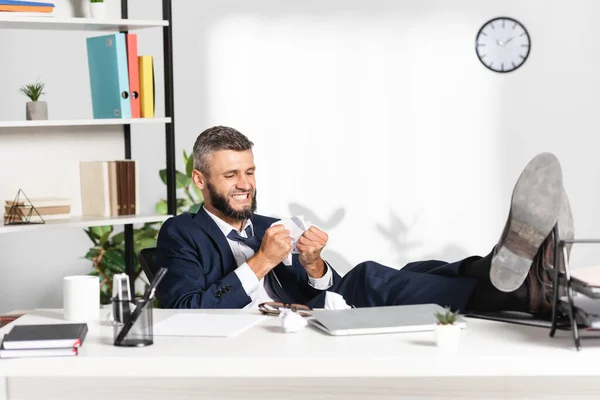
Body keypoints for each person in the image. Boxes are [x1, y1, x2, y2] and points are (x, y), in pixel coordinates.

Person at [155, 126, 573, 316]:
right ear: (200, 180)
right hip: (288, 323)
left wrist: (316, 264)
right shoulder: (182, 232)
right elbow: (185, 309)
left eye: (249, 172)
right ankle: (522, 291)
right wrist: (261, 261)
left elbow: (324, 285)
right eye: (231, 176)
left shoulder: (270, 224)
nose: (245, 184)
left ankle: (509, 272)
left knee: (418, 271)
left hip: (313, 308)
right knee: (371, 276)